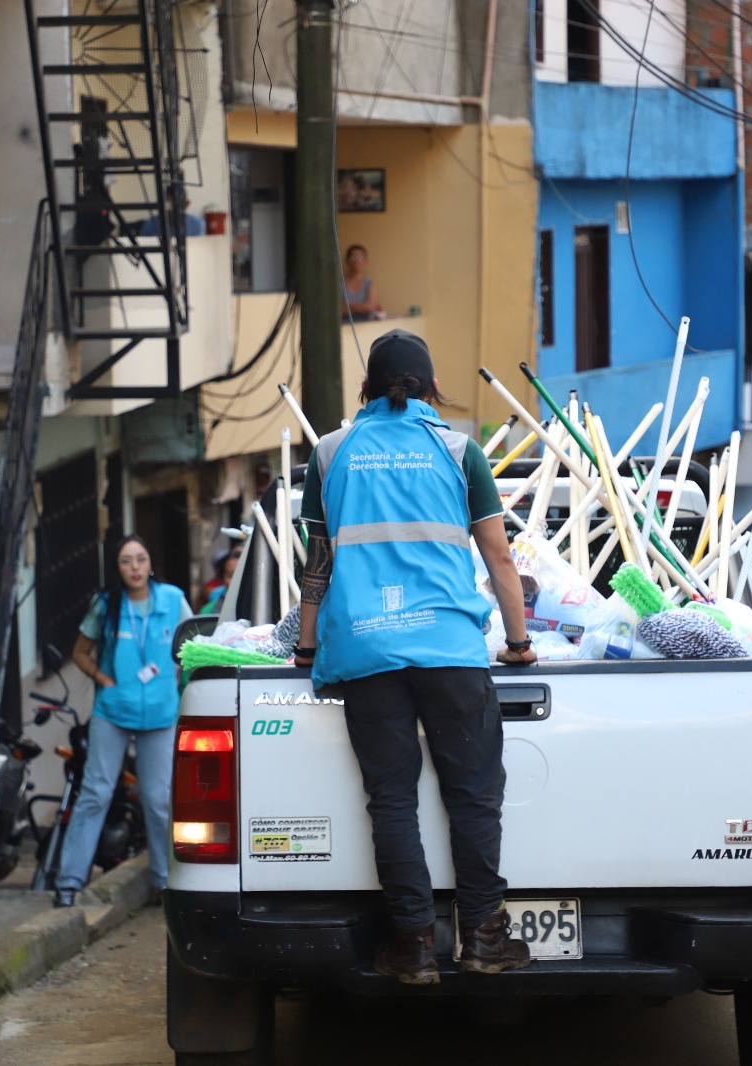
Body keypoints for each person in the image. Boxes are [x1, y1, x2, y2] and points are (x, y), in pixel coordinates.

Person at [293, 328, 537, 986]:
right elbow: (501, 559)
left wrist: (306, 644)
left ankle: (414, 946)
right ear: (433, 390)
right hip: (451, 651)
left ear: (366, 391)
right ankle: (484, 937)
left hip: (366, 649)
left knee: (392, 799)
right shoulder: (460, 452)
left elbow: (317, 564)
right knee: (473, 797)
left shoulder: (330, 452)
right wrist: (517, 643)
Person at [54, 535, 193, 908]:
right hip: (113, 711)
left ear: (150, 564)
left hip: (161, 713)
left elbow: (193, 647)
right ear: (117, 568)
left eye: (141, 559)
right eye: (126, 561)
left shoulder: (172, 599)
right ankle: (68, 882)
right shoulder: (105, 605)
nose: (135, 568)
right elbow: (80, 653)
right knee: (96, 793)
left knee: (158, 800)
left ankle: (166, 884)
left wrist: (177, 676)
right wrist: (104, 680)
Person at [342, 245, 385, 322]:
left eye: (360, 257)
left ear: (365, 261)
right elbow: (336, 309)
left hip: (365, 326)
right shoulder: (339, 284)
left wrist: (347, 305)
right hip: (342, 326)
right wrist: (361, 307)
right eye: (354, 257)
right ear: (347, 260)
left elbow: (370, 307)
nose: (357, 260)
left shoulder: (369, 283)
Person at [198, 546, 241, 615]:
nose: (238, 581)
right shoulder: (208, 611)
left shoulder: (262, 608)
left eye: (243, 575)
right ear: (221, 578)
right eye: (231, 576)